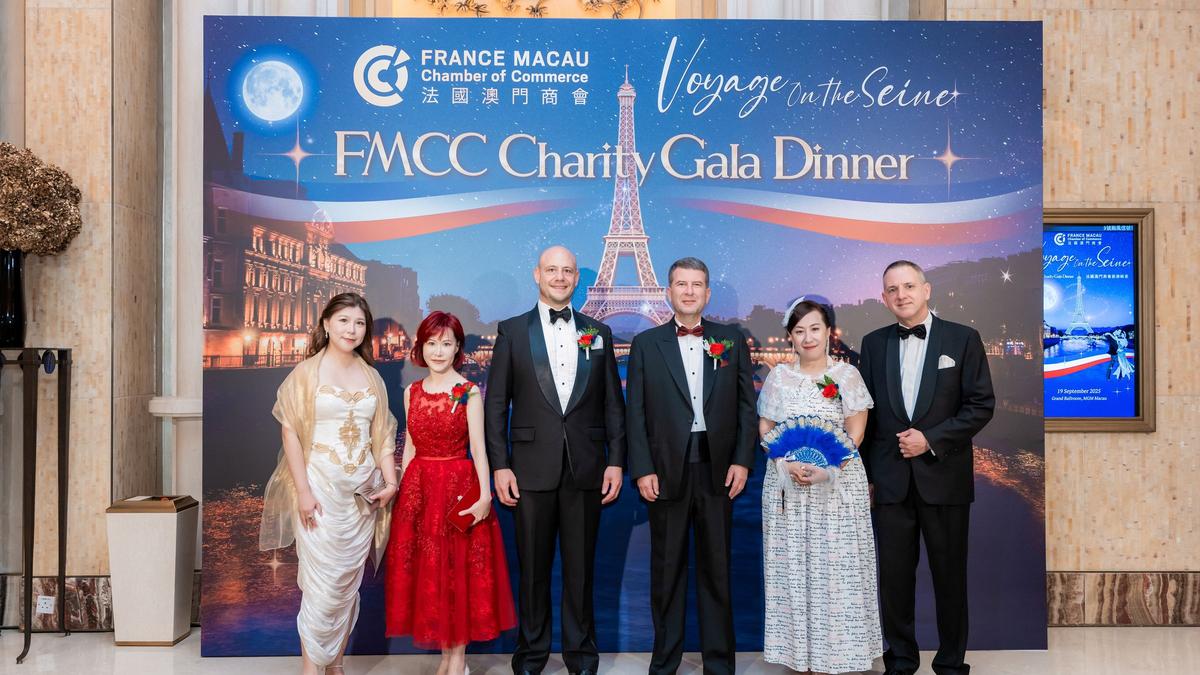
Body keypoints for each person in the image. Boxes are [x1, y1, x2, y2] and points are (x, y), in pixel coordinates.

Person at [484, 245, 626, 675]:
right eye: (552, 270)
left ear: (576, 278)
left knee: (581, 571)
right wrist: (500, 465)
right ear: (537, 274)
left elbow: (613, 404)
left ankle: (581, 656)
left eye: (567, 271)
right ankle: (531, 656)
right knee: (532, 571)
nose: (560, 277)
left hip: (587, 467)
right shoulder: (511, 331)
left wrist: (616, 461)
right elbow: (496, 404)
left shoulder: (599, 332)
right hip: (529, 469)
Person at [857, 261, 995, 675]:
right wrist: (866, 478)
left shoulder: (963, 338)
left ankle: (951, 663)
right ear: (884, 298)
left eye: (909, 286)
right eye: (892, 289)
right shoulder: (873, 343)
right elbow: (866, 416)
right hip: (890, 483)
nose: (901, 295)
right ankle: (900, 661)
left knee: (949, 577)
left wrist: (931, 439)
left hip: (945, 480)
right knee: (894, 580)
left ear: (927, 289)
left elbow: (981, 405)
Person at [625, 257, 755, 675]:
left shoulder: (731, 339)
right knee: (667, 572)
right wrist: (642, 468)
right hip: (665, 471)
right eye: (681, 284)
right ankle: (665, 663)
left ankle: (719, 665)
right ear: (668, 291)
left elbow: (747, 408)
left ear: (707, 293)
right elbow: (635, 413)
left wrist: (742, 461)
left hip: (719, 470)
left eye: (696, 284)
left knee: (717, 570)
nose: (689, 291)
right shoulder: (647, 344)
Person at [258, 292, 399, 675]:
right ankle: (312, 667)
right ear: (326, 324)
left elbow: (383, 435)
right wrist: (304, 492)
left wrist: (390, 480)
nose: (352, 329)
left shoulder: (371, 375)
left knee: (347, 584)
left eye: (359, 323)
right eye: (344, 321)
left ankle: (334, 663)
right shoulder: (306, 373)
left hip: (361, 496)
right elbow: (290, 433)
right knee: (321, 584)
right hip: (319, 489)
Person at [385, 311, 516, 675]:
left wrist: (485, 495)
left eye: (446, 344)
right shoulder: (411, 392)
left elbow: (479, 448)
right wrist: (402, 491)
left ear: (458, 348)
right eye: (431, 343)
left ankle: (457, 661)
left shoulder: (467, 391)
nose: (438, 351)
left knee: (456, 573)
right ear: (421, 347)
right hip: (420, 490)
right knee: (431, 573)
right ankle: (446, 658)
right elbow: (410, 447)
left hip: (457, 488)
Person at [757, 298, 881, 675]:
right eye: (799, 331)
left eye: (815, 328)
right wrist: (786, 463)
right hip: (787, 486)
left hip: (838, 487)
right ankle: (800, 657)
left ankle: (837, 657)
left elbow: (856, 433)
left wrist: (828, 469)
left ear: (829, 332)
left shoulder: (847, 376)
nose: (808, 337)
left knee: (836, 569)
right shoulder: (779, 377)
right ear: (790, 336)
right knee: (792, 568)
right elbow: (766, 429)